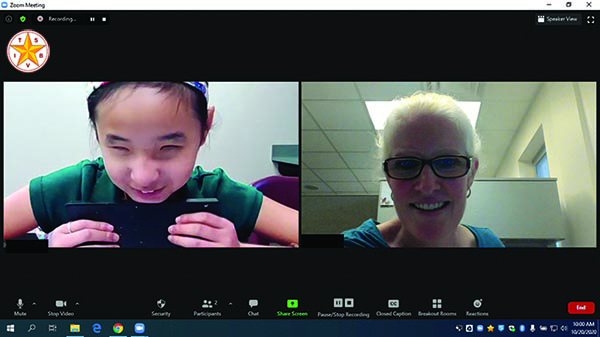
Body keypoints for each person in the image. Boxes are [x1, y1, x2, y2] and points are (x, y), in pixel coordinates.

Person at [3, 82, 298, 248]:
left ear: (204, 130)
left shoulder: (222, 193)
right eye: (119, 148)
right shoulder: (69, 187)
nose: (144, 177)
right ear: (97, 133)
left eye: (169, 148)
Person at [343, 92, 504, 248]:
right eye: (406, 164)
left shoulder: (490, 243)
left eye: (447, 162)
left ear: (471, 174)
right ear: (389, 178)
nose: (427, 186)